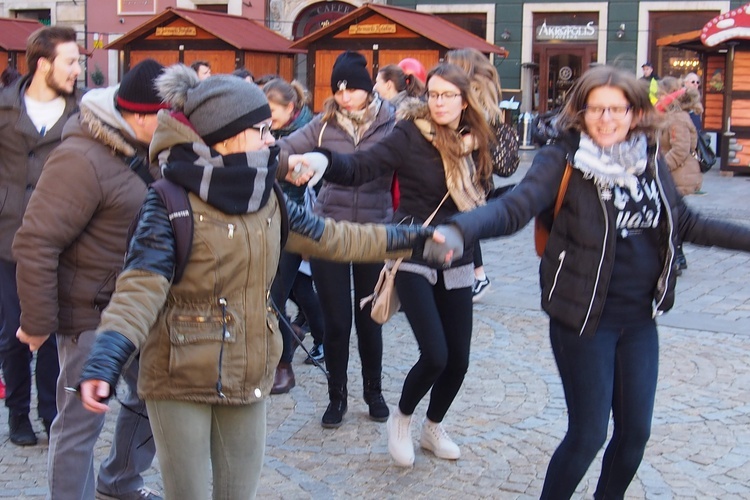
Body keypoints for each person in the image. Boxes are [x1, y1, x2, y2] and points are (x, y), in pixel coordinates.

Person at [75, 65, 440, 499]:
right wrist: (105, 361)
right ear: (227, 136)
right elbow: (139, 289)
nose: (273, 141)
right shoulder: (169, 200)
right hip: (178, 376)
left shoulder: (267, 195)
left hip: (247, 365)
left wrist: (413, 239)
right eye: (262, 130)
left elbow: (336, 236)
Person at [422, 64, 750, 499]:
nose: (607, 118)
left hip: (638, 321)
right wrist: (463, 229)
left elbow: (686, 222)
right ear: (581, 112)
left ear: (635, 113)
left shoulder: (648, 157)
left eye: (617, 109)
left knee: (634, 435)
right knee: (589, 434)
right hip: (582, 318)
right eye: (596, 109)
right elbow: (516, 207)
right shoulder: (563, 158)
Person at [294, 62, 495, 466]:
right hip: (412, 249)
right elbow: (363, 166)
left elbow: (500, 175)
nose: (438, 103)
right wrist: (324, 162)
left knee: (459, 359)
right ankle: (401, 420)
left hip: (457, 252)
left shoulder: (477, 139)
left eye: (448, 96)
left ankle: (432, 427)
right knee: (435, 354)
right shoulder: (408, 133)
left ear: (464, 100)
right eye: (433, 94)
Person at [12, 59, 166, 500]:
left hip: (138, 309)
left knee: (151, 398)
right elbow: (36, 242)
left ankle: (119, 482)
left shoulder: (149, 149)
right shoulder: (80, 158)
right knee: (80, 422)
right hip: (89, 315)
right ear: (138, 115)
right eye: (166, 116)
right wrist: (40, 322)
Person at [276, 51, 397, 428]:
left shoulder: (392, 123)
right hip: (329, 231)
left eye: (353, 90)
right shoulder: (324, 124)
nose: (345, 97)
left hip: (374, 231)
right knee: (336, 320)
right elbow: (286, 148)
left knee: (370, 318)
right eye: (339, 90)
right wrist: (286, 165)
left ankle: (373, 391)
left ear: (368, 88)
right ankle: (337, 396)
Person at [0, 25, 81, 447]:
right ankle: (17, 412)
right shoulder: (3, 109)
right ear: (43, 64)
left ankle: (51, 411)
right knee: (15, 329)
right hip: (8, 236)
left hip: (63, 236)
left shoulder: (82, 112)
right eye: (71, 61)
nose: (78, 69)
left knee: (54, 329)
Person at [445, 47, 519, 303]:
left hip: (468, 177)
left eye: (450, 63)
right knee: (463, 225)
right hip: (476, 178)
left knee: (462, 225)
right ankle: (474, 277)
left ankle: (475, 277)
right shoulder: (484, 99)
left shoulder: (470, 100)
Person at [263, 77, 322, 392]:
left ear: (290, 108)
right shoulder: (262, 133)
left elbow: (312, 183)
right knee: (276, 295)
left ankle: (284, 365)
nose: (268, 118)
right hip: (265, 221)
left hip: (293, 224)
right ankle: (289, 343)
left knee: (277, 297)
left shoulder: (307, 135)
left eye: (273, 111)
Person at [658, 76, 704, 275]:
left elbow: (680, 150)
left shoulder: (677, 118)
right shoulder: (671, 116)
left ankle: (676, 258)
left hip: (678, 175)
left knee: (671, 217)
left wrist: (658, 167)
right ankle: (676, 256)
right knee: (671, 216)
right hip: (674, 174)